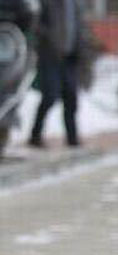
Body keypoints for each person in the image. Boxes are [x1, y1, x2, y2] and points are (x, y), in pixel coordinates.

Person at [28, 0, 83, 148]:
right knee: (50, 97)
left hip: (70, 57)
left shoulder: (75, 4)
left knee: (71, 98)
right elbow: (36, 25)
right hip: (50, 57)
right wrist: (49, 37)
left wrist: (80, 48)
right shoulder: (47, 3)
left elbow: (78, 27)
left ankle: (72, 138)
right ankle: (35, 135)